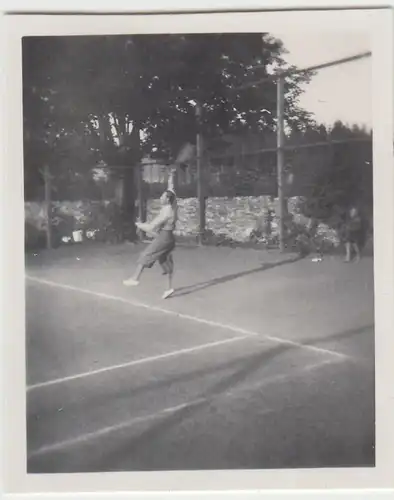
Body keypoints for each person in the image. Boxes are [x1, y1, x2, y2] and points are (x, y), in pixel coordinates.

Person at [123, 167, 178, 299]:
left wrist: (138, 225)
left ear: (167, 200)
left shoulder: (166, 212)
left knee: (146, 255)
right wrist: (171, 175)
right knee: (165, 262)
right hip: (170, 239)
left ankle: (135, 279)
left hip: (164, 237)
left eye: (163, 197)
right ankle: (168, 288)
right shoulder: (173, 203)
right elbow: (171, 188)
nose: (160, 197)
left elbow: (151, 228)